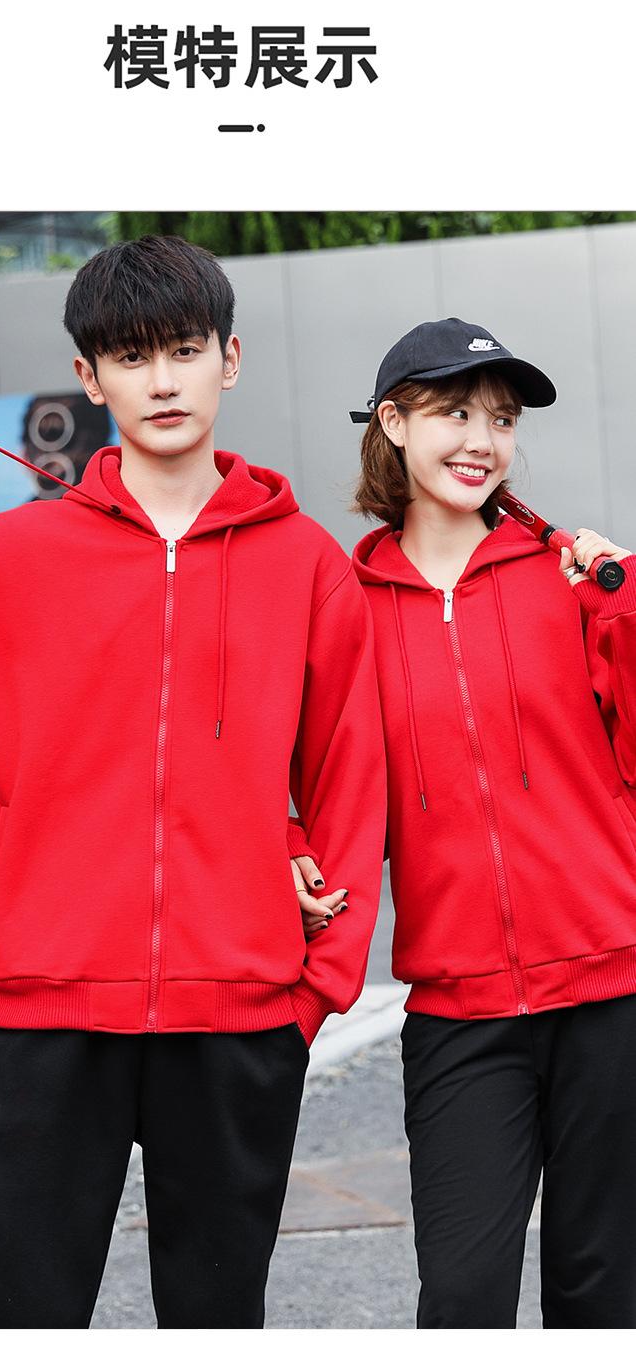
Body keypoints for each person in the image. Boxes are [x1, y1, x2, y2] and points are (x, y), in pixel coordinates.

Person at [0, 235, 386, 1329]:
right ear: (89, 378)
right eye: (131, 357)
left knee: (215, 1317)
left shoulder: (307, 568)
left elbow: (348, 782)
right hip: (47, 1013)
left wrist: (312, 993)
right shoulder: (6, 559)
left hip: (239, 1021)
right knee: (21, 1317)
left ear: (229, 358)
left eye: (183, 350)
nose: (162, 380)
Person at [290, 318, 636, 1328]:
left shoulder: (573, 580)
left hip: (613, 991)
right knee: (461, 1296)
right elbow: (297, 769)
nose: (481, 440)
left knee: (603, 1291)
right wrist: (291, 848)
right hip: (460, 1011)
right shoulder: (344, 607)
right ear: (393, 423)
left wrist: (624, 615)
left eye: (502, 418)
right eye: (453, 413)